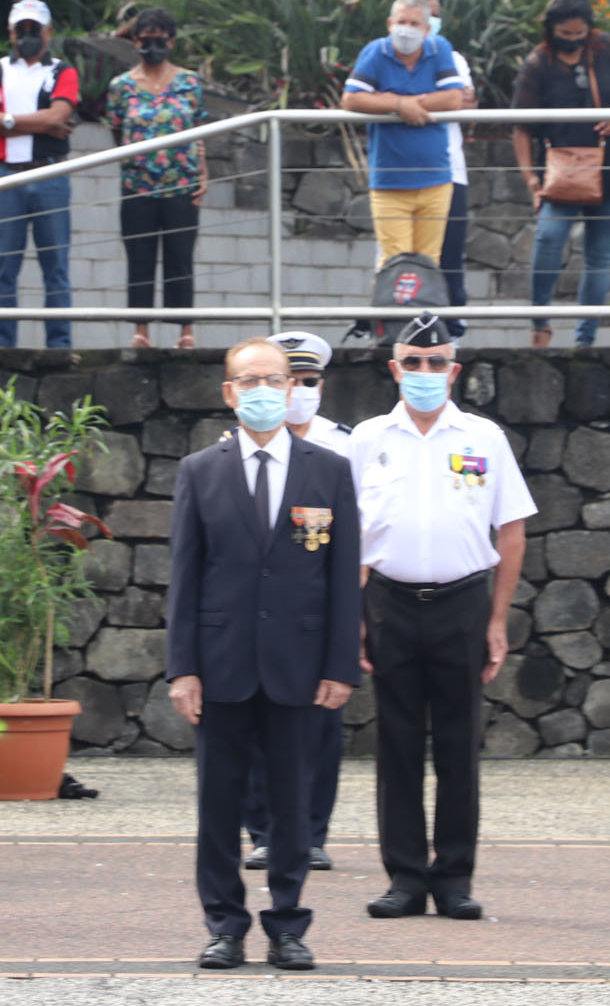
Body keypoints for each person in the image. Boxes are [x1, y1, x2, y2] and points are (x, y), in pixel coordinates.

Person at [166, 338, 361, 971]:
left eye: (274, 380)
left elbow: (340, 577)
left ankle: (287, 924)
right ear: (228, 391)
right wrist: (182, 668)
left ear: (292, 388)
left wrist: (339, 665)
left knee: (292, 804)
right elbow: (185, 578)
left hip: (298, 668)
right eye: (248, 381)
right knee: (218, 806)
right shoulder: (201, 470)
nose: (262, 392)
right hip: (220, 666)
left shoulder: (328, 469)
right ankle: (224, 925)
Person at [353, 311, 535, 921]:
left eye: (436, 363)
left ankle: (454, 877)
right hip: (389, 602)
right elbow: (350, 536)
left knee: (459, 746)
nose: (424, 373)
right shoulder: (367, 439)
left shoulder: (483, 439)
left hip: (462, 602)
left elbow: (511, 532)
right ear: (394, 368)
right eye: (413, 362)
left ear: (454, 371)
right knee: (397, 745)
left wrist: (496, 619)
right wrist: (353, 616)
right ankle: (405, 877)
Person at [239, 330, 354, 874]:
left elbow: (361, 539)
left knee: (320, 727)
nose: (297, 392)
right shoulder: (240, 444)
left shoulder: (346, 447)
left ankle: (311, 832)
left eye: (306, 382)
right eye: (292, 381)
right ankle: (262, 831)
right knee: (256, 729)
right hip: (258, 612)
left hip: (320, 607)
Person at [513, 0, 610, 348]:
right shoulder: (538, 63)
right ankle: (540, 322)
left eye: (579, 33)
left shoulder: (609, 49)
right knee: (549, 237)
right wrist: (531, 180)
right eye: (565, 33)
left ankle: (585, 339)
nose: (572, 40)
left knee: (599, 254)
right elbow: (520, 126)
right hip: (562, 169)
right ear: (551, 28)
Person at [0, 0, 78, 350]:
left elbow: (58, 117)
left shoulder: (62, 71)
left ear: (48, 32)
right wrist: (40, 123)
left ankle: (60, 346)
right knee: (3, 268)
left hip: (50, 176)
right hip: (7, 176)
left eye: (35, 29)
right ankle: (1, 345)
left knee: (56, 267)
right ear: (10, 32)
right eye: (22, 29)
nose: (28, 35)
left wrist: (7, 121)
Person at [107, 6, 208, 351]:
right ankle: (141, 329)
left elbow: (198, 130)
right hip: (137, 184)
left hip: (182, 181)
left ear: (172, 41)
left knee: (181, 255)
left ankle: (185, 330)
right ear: (134, 41)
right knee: (139, 256)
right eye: (145, 40)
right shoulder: (120, 87)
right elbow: (117, 131)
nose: (152, 46)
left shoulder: (190, 82)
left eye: (159, 39)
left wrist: (203, 173)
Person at [342, 0, 465, 267]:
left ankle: (420, 313)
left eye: (414, 23)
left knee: (428, 263)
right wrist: (399, 104)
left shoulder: (439, 48)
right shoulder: (376, 51)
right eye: (402, 22)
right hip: (390, 182)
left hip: (436, 179)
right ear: (389, 24)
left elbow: (454, 99)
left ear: (426, 28)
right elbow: (351, 98)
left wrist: (402, 104)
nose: (406, 29)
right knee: (394, 264)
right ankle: (391, 312)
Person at [412, 0, 476, 339]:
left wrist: (406, 102)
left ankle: (451, 325)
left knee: (450, 252)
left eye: (432, 14)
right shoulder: (382, 56)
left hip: (450, 170)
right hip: (400, 173)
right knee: (402, 255)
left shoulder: (453, 57)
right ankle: (396, 321)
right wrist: (436, 100)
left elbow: (464, 103)